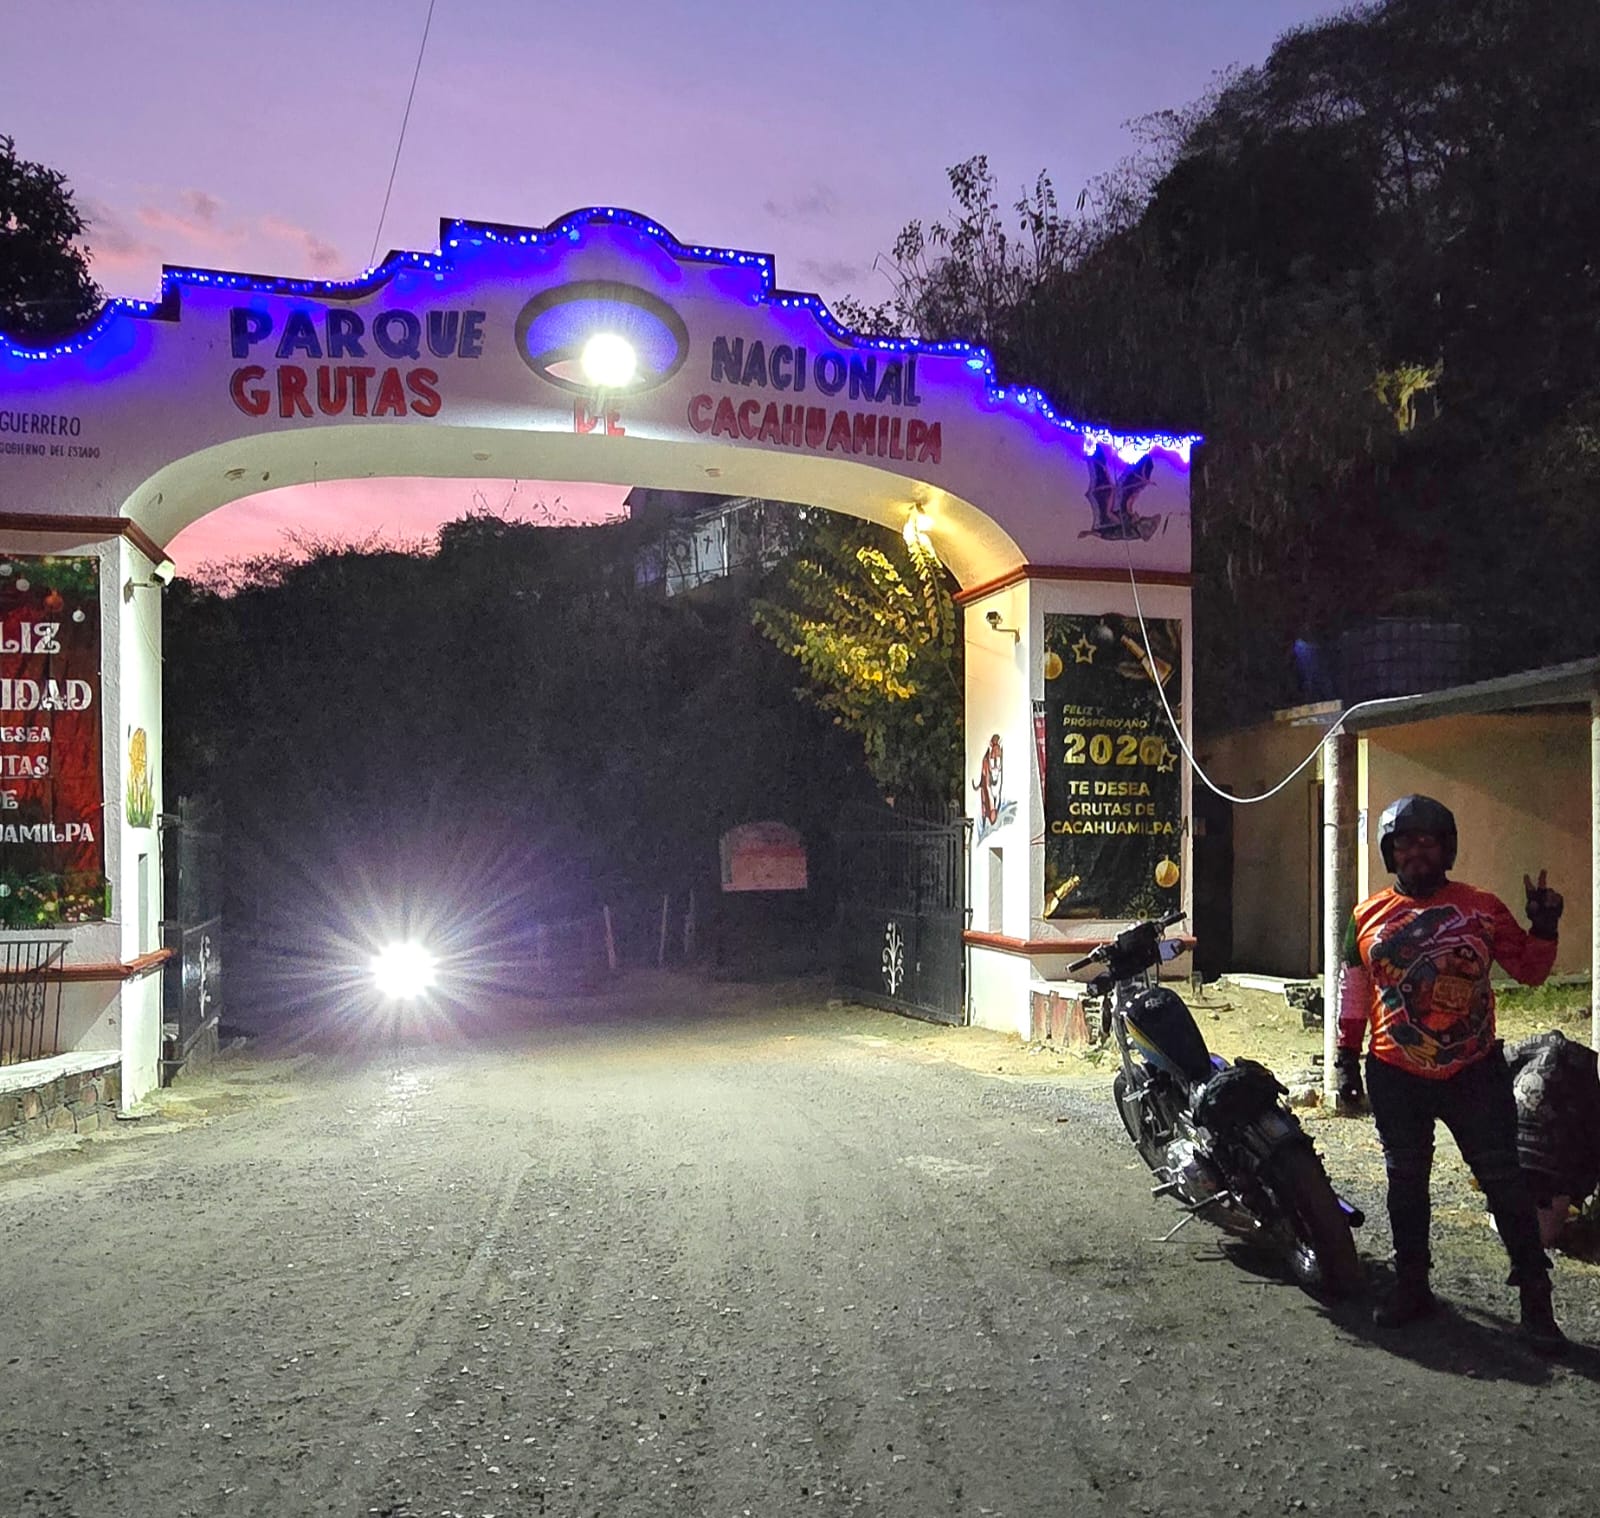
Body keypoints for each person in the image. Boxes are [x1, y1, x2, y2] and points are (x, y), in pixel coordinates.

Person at [1333, 794, 1568, 1353]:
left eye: (1428, 840)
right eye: (1405, 842)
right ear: (1389, 851)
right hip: (1394, 1071)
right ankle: (1412, 1286)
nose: (1417, 851)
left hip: (1474, 1071)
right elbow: (1355, 990)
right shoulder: (1365, 916)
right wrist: (1344, 1057)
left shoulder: (1482, 907)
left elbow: (1531, 973)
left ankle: (1537, 1302)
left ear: (1447, 848)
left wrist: (1545, 924)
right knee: (1405, 1183)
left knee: (1504, 1182)